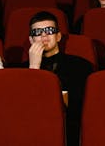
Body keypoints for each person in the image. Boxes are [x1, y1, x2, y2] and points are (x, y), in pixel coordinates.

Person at [26, 11, 92, 146]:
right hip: (32, 129)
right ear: (31, 40)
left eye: (49, 30)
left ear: (58, 36)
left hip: (69, 129)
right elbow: (25, 107)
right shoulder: (19, 71)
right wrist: (33, 67)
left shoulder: (81, 65)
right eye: (38, 32)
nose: (44, 35)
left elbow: (79, 106)